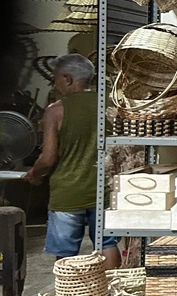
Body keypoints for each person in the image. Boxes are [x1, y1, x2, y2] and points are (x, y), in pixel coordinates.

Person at [24, 54, 119, 268]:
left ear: (67, 79)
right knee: (107, 242)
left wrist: (35, 174)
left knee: (66, 252)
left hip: (68, 193)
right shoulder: (109, 105)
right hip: (104, 190)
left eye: (55, 79)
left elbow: (48, 158)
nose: (55, 84)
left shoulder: (55, 111)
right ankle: (113, 292)